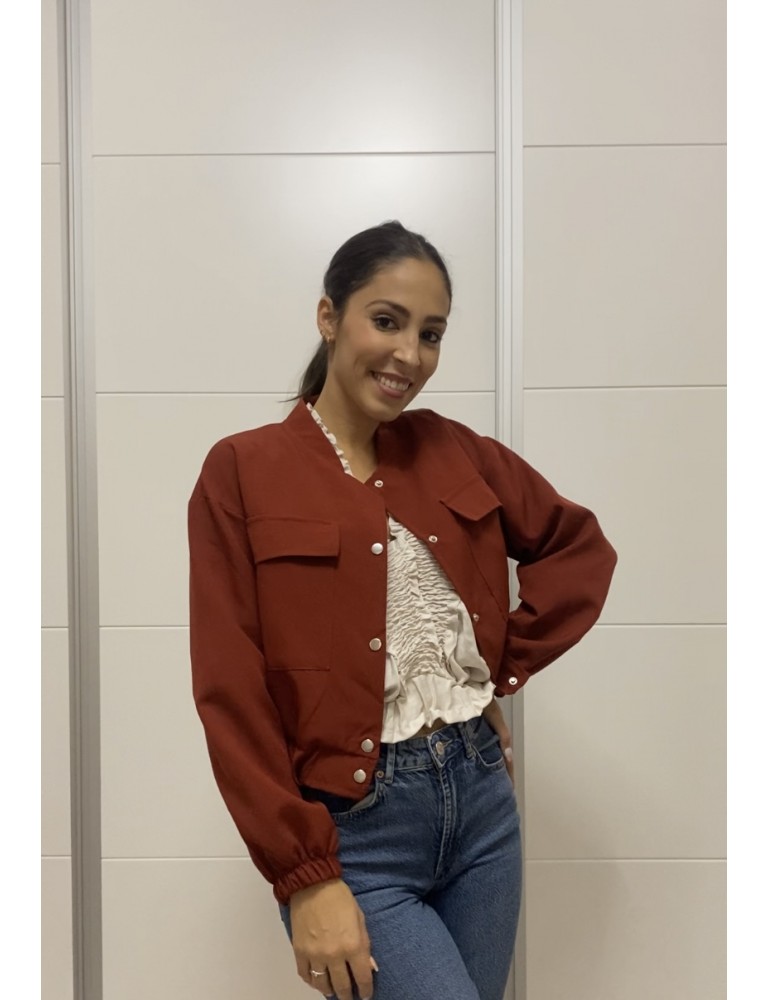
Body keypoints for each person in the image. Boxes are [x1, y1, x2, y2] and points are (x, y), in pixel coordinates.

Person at [188, 221, 617, 1000]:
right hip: (356, 833)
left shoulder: (456, 450)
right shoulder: (243, 470)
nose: (409, 355)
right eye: (386, 321)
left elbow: (577, 550)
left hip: (482, 808)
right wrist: (305, 875)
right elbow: (232, 691)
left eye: (431, 333)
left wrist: (491, 673)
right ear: (329, 317)